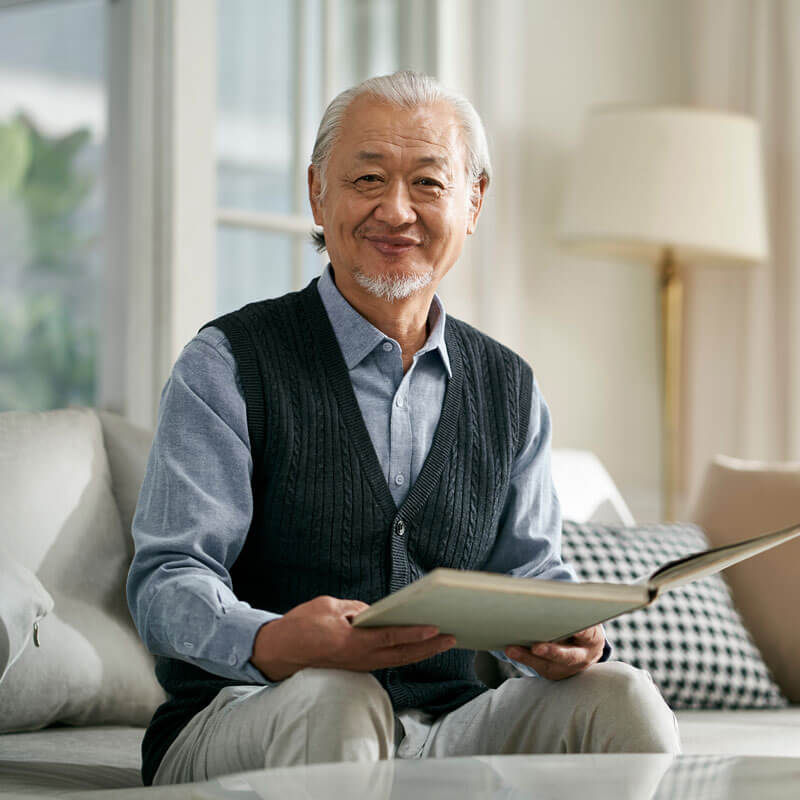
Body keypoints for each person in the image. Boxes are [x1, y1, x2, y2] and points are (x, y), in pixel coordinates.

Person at [127, 70, 680, 787]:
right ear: (317, 193)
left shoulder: (510, 386)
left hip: (448, 724)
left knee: (624, 697)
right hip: (246, 712)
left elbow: (532, 573)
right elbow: (168, 581)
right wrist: (272, 639)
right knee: (338, 695)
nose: (396, 210)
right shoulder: (228, 363)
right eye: (366, 179)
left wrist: (567, 635)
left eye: (427, 182)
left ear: (473, 201)